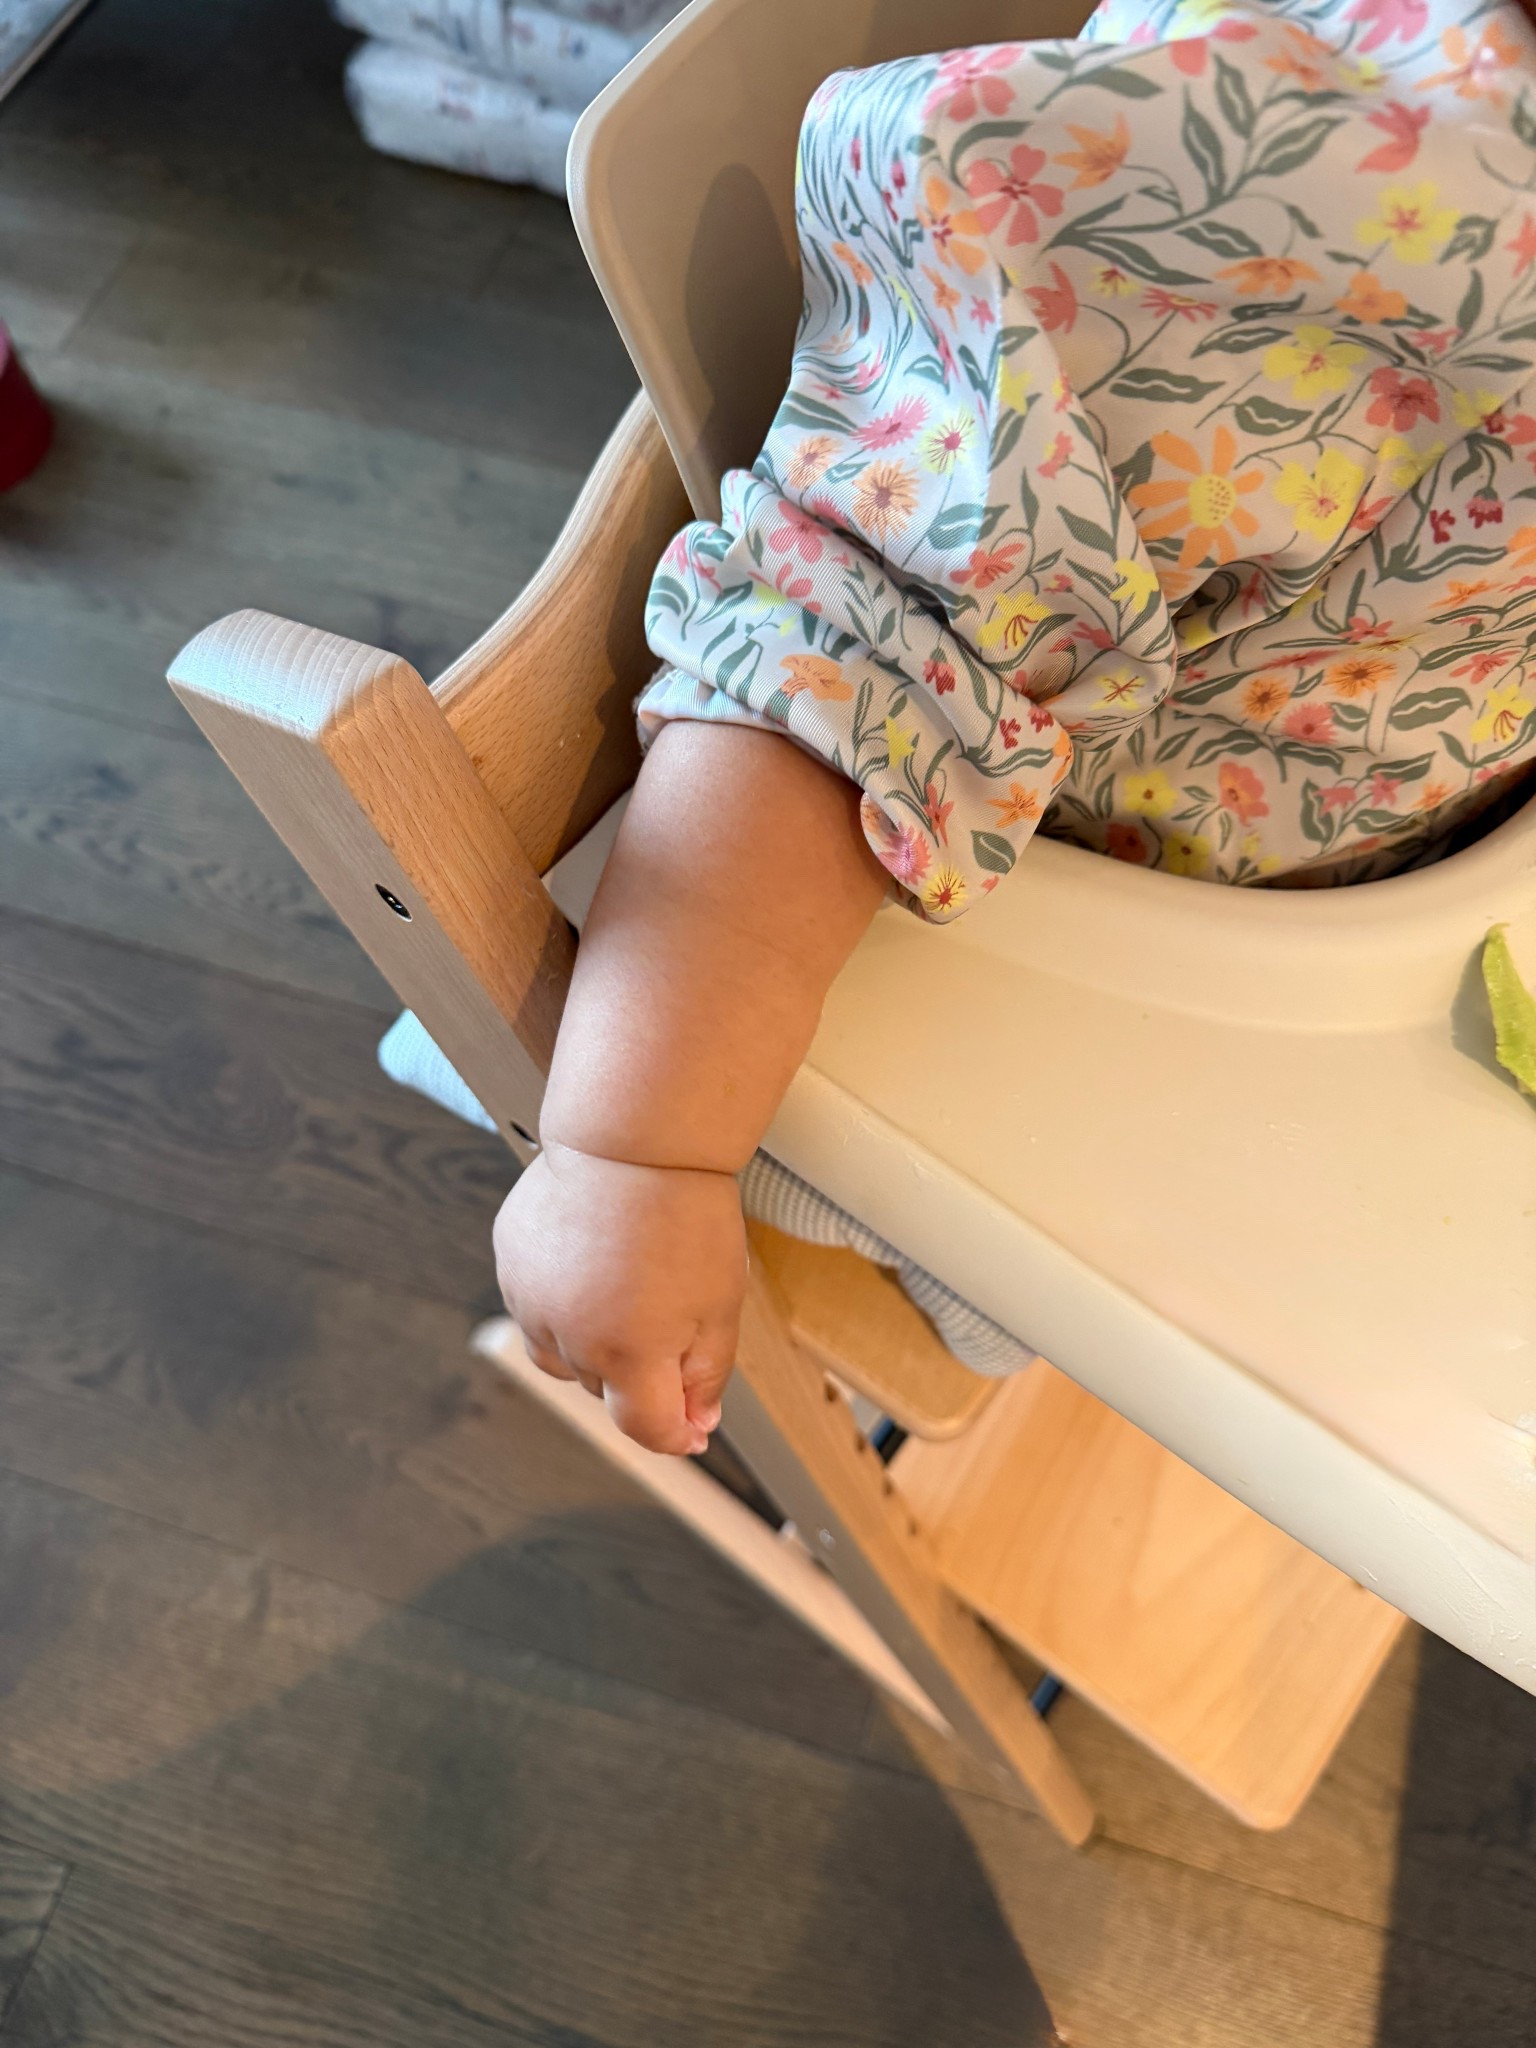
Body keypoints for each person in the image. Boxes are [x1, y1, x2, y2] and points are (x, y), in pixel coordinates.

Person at [495, 0, 1536, 1454]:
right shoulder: (1363, 188)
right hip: (978, 910)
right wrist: (638, 1150)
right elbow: (868, 639)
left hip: (1406, 849)